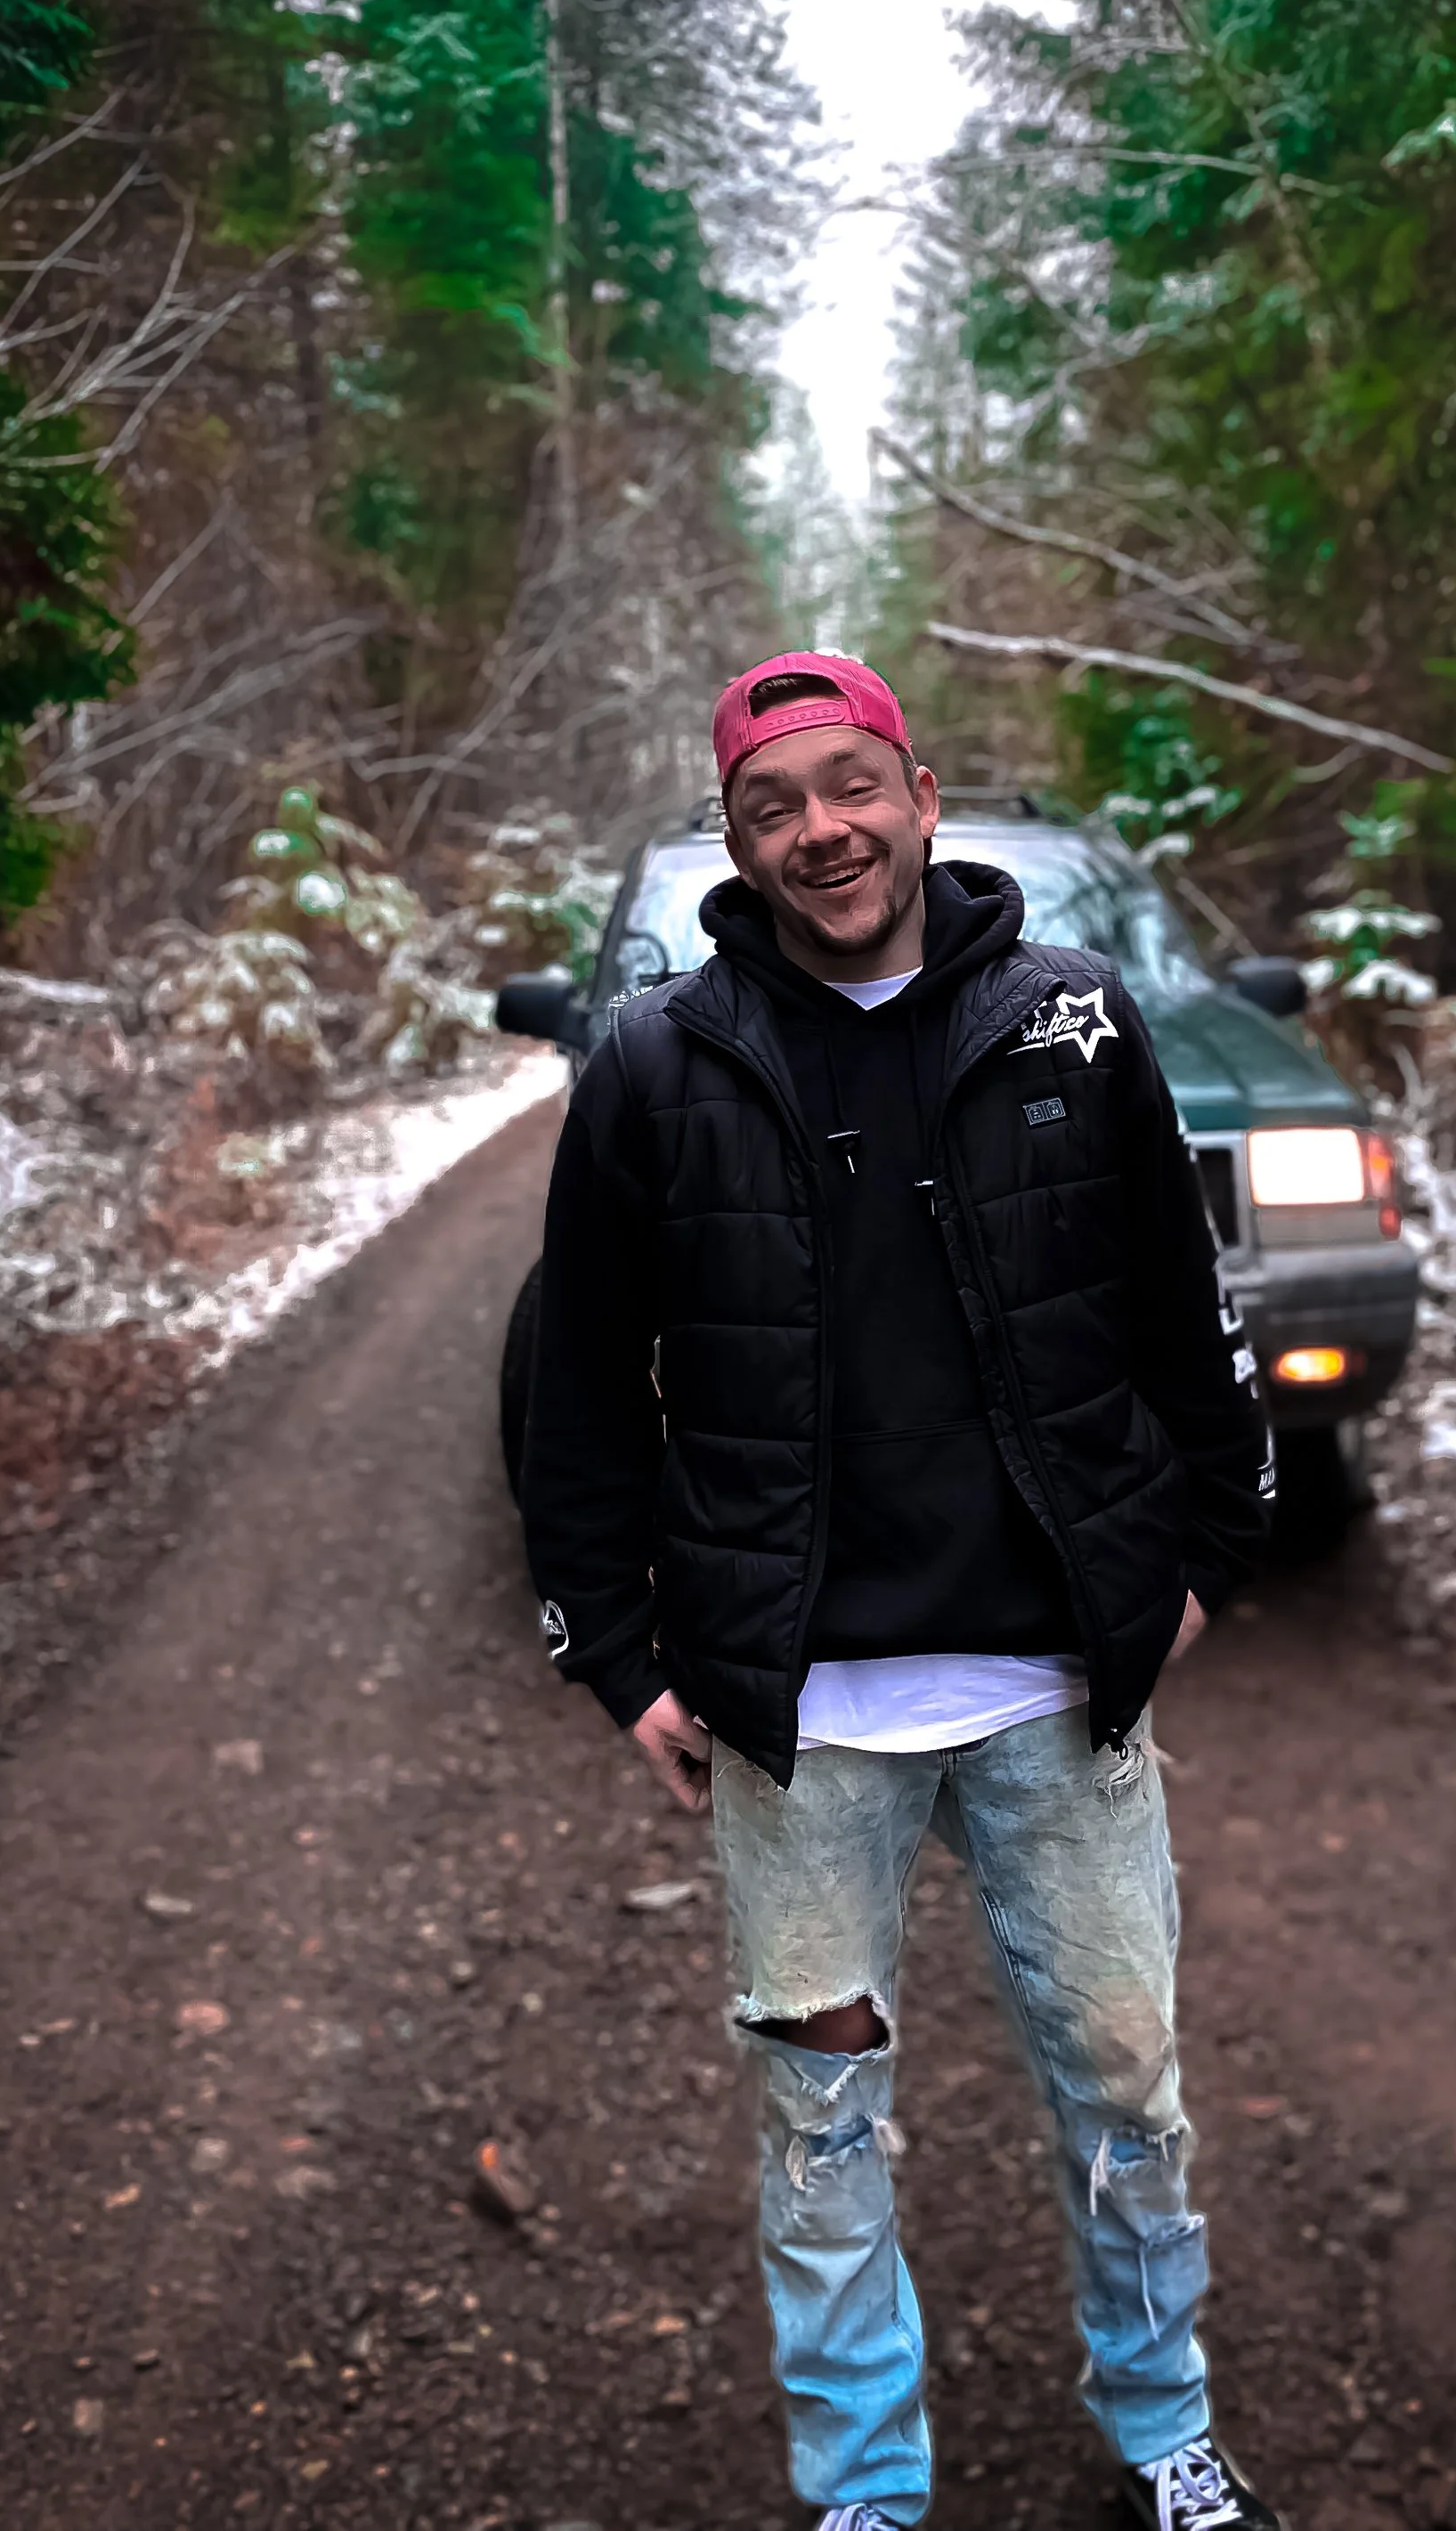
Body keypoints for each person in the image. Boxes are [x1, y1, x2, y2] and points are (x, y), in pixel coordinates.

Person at [518, 649, 1282, 2531]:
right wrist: (617, 1657)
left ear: (919, 795)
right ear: (734, 840)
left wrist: (1198, 1564)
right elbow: (570, 1392)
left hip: (1051, 1686)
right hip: (803, 1725)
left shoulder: (1075, 1024)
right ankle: (863, 2487)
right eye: (773, 805)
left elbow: (1186, 1329)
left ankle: (1161, 2425)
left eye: (848, 785)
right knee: (817, 2130)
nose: (820, 831)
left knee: (1126, 2093)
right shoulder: (650, 1063)